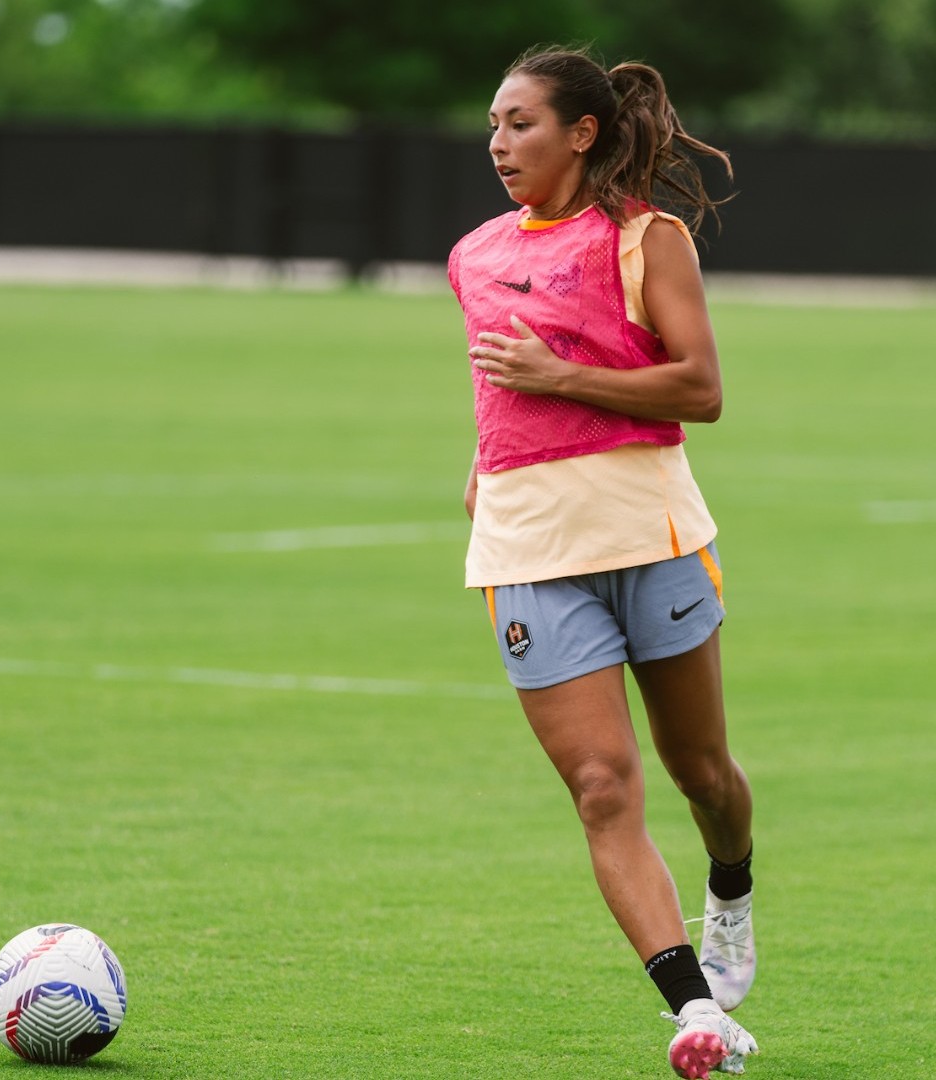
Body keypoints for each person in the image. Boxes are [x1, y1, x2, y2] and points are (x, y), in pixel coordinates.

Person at [447, 45, 758, 1079]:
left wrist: (561, 375)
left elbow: (701, 391)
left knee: (702, 773)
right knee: (599, 785)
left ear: (583, 132)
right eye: (494, 125)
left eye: (522, 123)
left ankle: (731, 889)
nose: (501, 144)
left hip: (651, 533)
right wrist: (484, 466)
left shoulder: (646, 239)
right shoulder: (474, 254)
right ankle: (695, 1009)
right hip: (529, 548)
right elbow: (502, 385)